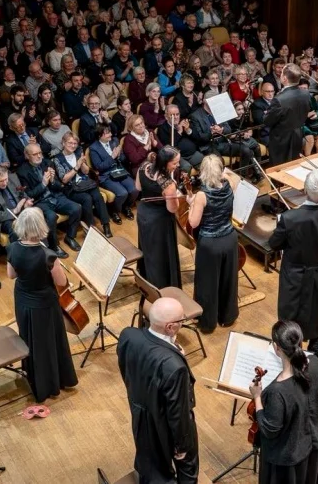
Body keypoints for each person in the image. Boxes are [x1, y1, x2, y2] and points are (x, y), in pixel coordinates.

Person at [117, 298, 199, 484]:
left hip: (140, 411)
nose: (183, 322)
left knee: (151, 464)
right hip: (165, 421)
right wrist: (182, 445)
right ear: (170, 327)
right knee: (187, 465)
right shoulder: (174, 366)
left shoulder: (128, 335)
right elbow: (177, 413)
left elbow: (126, 369)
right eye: (182, 320)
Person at [268, 170, 318, 360]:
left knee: (289, 322)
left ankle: (290, 366)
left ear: (304, 189)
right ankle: (313, 369)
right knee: (317, 324)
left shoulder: (289, 218)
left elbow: (274, 244)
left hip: (292, 277)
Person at [6, 207, 78, 402]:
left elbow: (11, 275)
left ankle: (34, 378)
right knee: (47, 343)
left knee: (30, 338)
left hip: (23, 300)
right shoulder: (48, 255)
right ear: (41, 227)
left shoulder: (12, 248)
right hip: (44, 304)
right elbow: (62, 283)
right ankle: (52, 382)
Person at [249, 321, 318, 484]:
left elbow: (269, 429)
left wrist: (257, 397)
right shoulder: (317, 365)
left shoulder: (278, 391)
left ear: (277, 348)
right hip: (314, 446)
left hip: (289, 462)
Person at [186, 155, 240, 332]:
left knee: (207, 283)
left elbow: (193, 223)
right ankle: (227, 317)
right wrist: (226, 174)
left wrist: (191, 204)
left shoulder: (202, 195)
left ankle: (207, 322)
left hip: (210, 244)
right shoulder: (230, 185)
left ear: (203, 172)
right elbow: (237, 177)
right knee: (228, 279)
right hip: (230, 239)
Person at [17, 143, 83, 258]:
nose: (39, 156)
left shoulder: (47, 163)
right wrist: (43, 184)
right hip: (40, 201)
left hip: (55, 196)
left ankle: (70, 237)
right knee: (51, 217)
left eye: (40, 153)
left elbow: (59, 186)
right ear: (27, 156)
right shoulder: (22, 172)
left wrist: (52, 180)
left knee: (77, 208)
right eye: (35, 154)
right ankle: (53, 246)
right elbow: (29, 195)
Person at [137, 147, 184, 289]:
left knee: (148, 248)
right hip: (159, 220)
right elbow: (172, 208)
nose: (178, 166)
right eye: (175, 163)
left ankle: (145, 279)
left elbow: (138, 187)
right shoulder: (168, 185)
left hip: (144, 213)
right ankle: (161, 286)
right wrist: (174, 190)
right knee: (160, 254)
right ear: (165, 163)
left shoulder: (143, 166)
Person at [53, 131, 113, 238]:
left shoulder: (77, 153)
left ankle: (106, 225)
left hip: (85, 183)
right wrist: (76, 166)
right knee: (87, 198)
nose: (73, 146)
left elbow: (85, 172)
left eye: (75, 143)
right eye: (70, 143)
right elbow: (64, 179)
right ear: (63, 143)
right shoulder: (58, 158)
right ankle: (91, 229)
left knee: (97, 196)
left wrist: (83, 163)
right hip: (71, 188)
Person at [90, 124, 141, 220]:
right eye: (107, 133)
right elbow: (99, 167)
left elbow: (123, 159)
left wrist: (119, 155)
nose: (110, 134)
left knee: (135, 189)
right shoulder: (94, 148)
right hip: (106, 175)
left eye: (110, 132)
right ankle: (115, 211)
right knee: (122, 193)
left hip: (119, 171)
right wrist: (112, 157)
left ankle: (126, 207)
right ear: (99, 136)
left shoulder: (115, 141)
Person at [263, 63, 311, 165]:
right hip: (298, 135)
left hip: (280, 140)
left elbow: (267, 121)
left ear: (284, 78)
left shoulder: (279, 99)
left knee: (279, 170)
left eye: (281, 74)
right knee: (294, 167)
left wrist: (268, 113)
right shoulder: (306, 93)